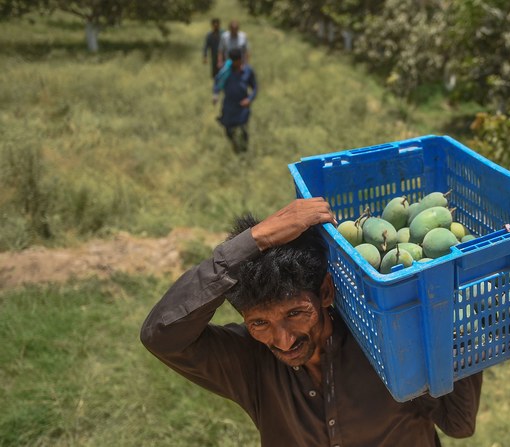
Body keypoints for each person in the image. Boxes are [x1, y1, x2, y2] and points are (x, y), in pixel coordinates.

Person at [140, 198, 483, 447]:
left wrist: (454, 323)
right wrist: (252, 241)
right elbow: (162, 335)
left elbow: (458, 422)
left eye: (295, 314)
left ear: (326, 293)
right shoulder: (249, 361)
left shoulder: (388, 340)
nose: (284, 340)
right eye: (259, 323)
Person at [213, 48, 257, 154]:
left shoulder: (247, 71)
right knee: (228, 128)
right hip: (229, 105)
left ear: (241, 59)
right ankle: (234, 145)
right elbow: (217, 82)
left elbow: (255, 87)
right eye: (233, 61)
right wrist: (215, 94)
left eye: (237, 61)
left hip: (242, 106)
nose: (236, 63)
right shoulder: (225, 71)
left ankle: (244, 151)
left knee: (243, 129)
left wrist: (249, 99)